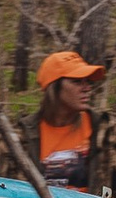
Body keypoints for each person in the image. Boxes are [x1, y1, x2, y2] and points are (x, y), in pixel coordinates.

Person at [32, 48, 111, 190]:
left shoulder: (101, 129)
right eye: (77, 82)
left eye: (87, 82)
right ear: (54, 88)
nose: (87, 88)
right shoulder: (26, 134)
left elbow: (113, 188)